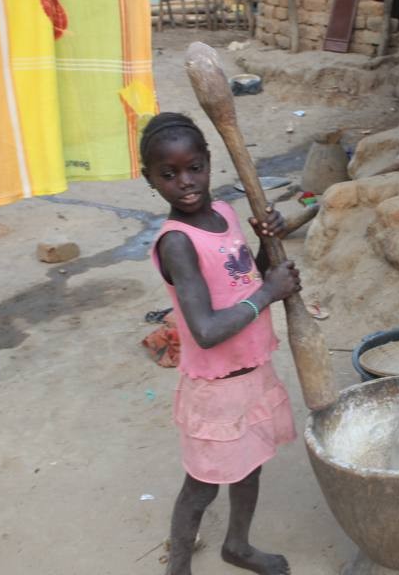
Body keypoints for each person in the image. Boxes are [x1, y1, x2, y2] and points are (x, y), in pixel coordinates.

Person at [143, 112, 298, 575]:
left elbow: (244, 276)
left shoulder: (225, 214)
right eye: (168, 175)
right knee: (203, 485)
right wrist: (270, 293)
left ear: (210, 163)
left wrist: (271, 246)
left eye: (194, 168)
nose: (185, 183)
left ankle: (238, 546)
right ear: (149, 180)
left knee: (251, 466)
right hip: (216, 388)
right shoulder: (177, 243)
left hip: (252, 372)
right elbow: (206, 330)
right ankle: (178, 569)